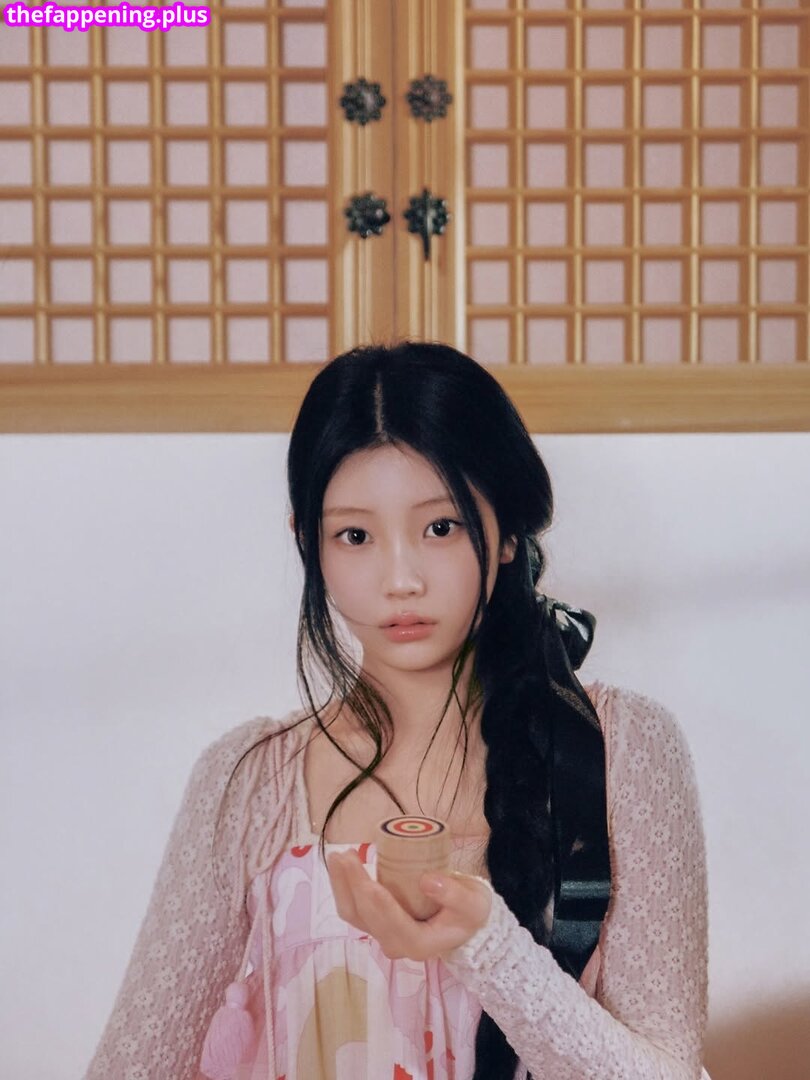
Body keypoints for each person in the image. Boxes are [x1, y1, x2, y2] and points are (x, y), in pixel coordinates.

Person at [85, 342, 709, 1080]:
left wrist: (486, 946)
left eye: (440, 527)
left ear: (508, 533)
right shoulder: (250, 783)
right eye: (355, 536)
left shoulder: (622, 749)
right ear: (310, 544)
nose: (400, 579)